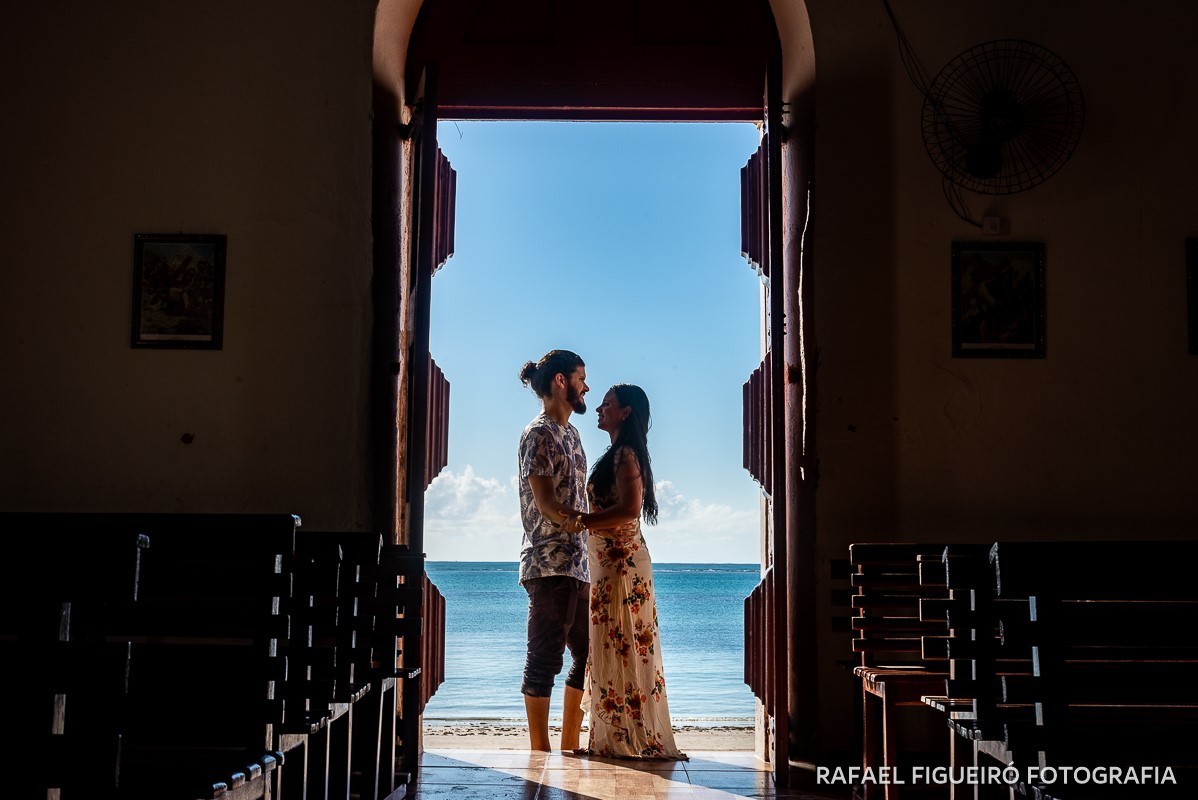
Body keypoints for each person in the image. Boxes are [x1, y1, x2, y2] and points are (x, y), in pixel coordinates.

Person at [575, 384, 687, 760]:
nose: (599, 409)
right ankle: (613, 736)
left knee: (622, 644)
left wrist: (582, 520)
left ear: (625, 412)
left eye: (607, 404)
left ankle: (628, 737)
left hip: (622, 567)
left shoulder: (625, 455)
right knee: (613, 644)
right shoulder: (618, 453)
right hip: (610, 564)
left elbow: (628, 511)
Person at [516, 349, 591, 752]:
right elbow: (545, 502)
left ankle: (568, 743)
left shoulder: (574, 436)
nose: (587, 386)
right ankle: (539, 752)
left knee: (589, 652)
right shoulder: (538, 433)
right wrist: (588, 523)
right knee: (545, 658)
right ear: (561, 381)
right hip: (548, 564)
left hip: (579, 566)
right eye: (582, 377)